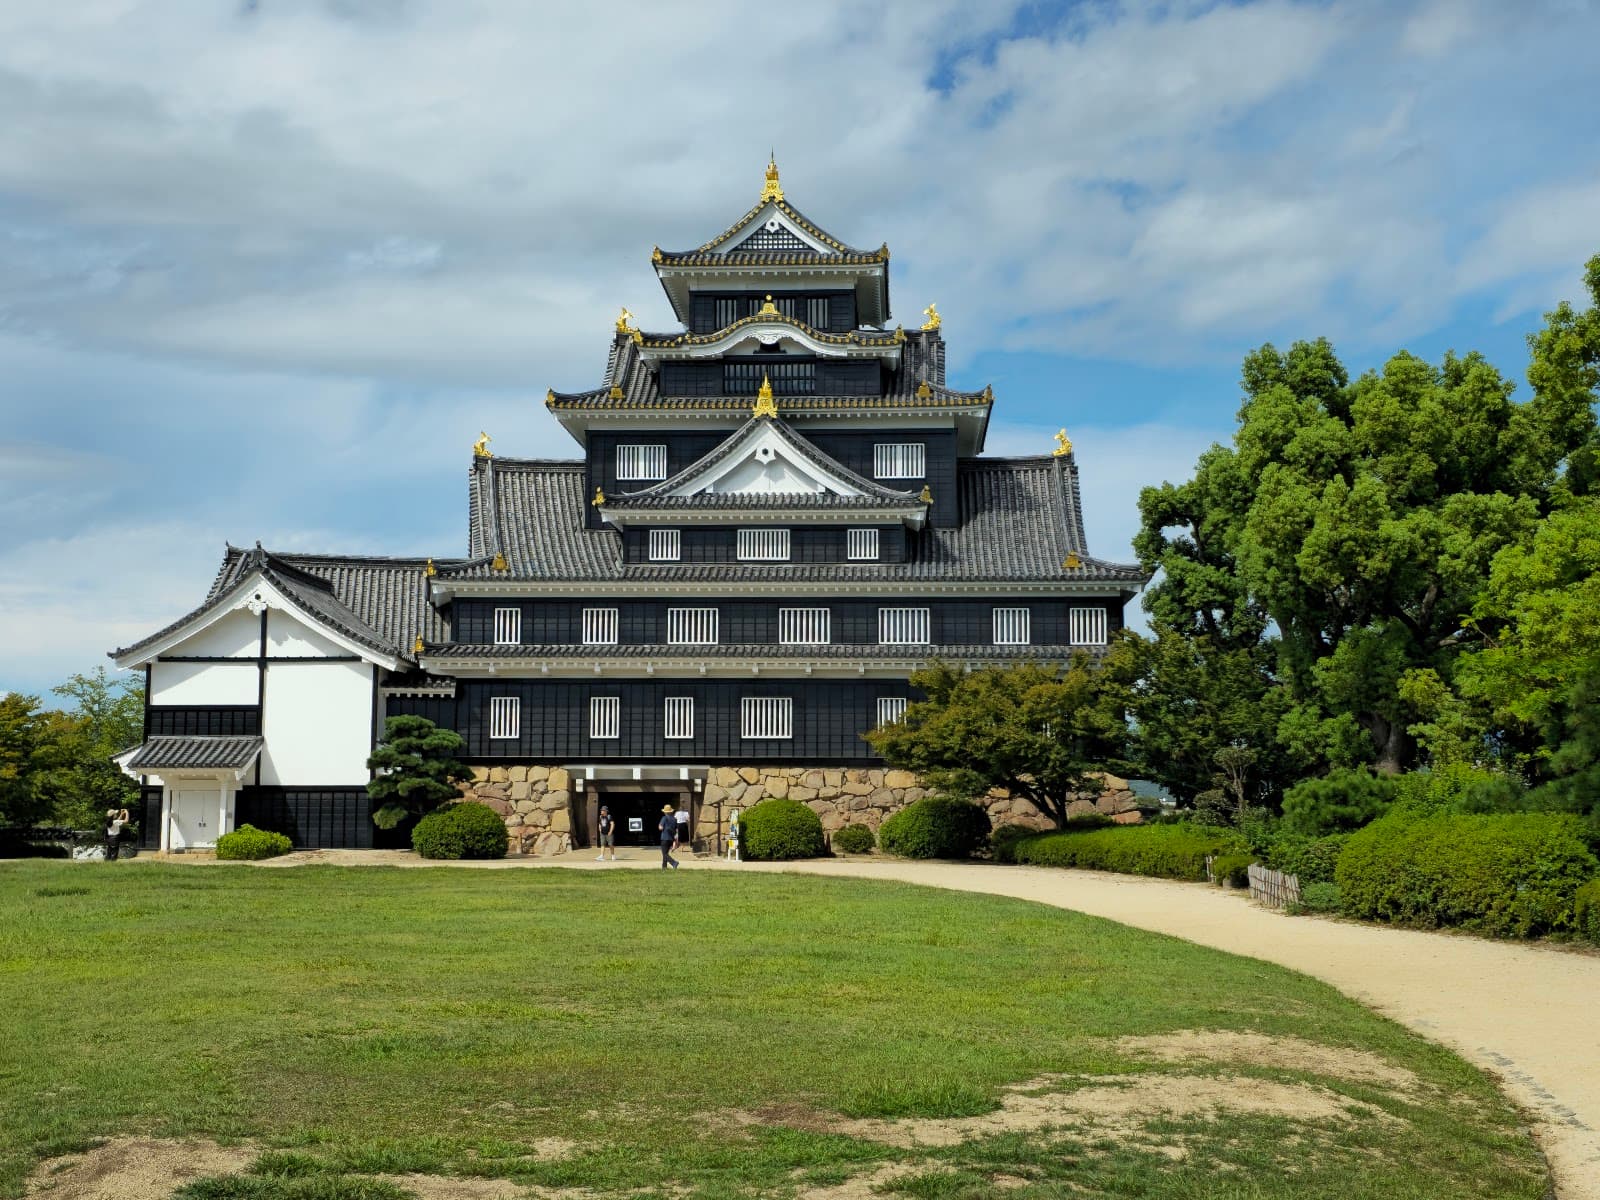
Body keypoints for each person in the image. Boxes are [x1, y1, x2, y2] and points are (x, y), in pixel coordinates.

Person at [658, 803, 680, 870]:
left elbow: (660, 827)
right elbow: (677, 830)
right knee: (666, 853)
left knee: (664, 854)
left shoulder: (664, 818)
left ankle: (674, 863)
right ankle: (664, 867)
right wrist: (675, 841)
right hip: (671, 839)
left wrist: (659, 826)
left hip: (664, 838)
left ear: (665, 812)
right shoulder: (674, 819)